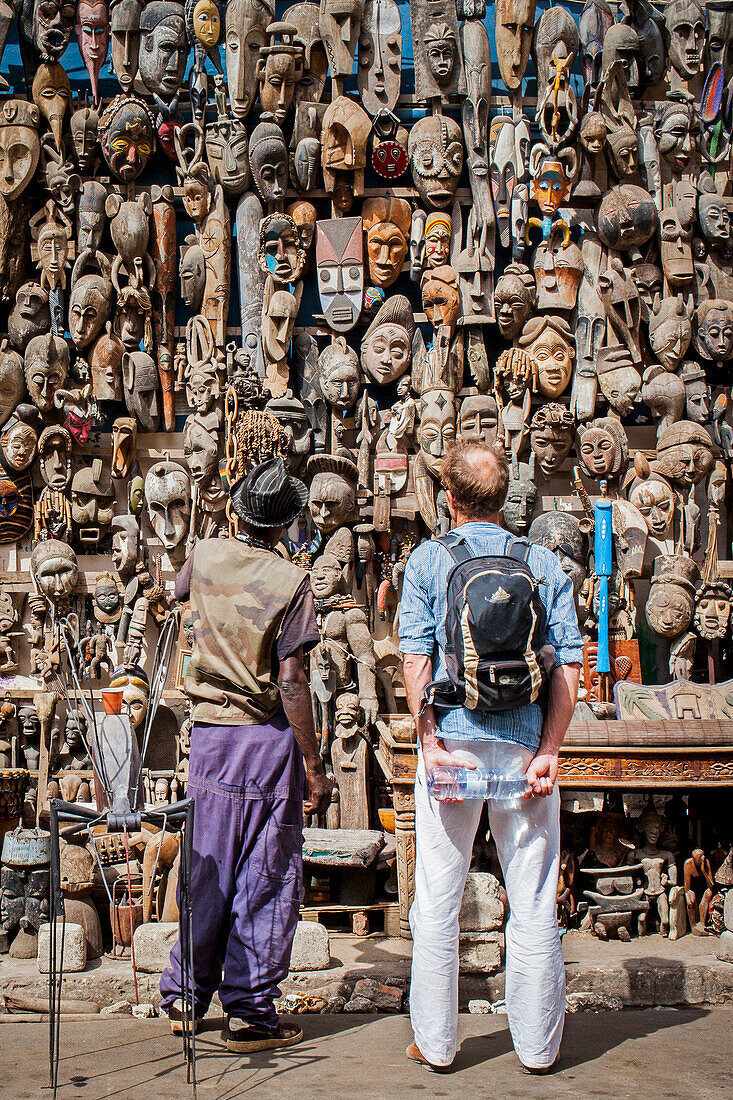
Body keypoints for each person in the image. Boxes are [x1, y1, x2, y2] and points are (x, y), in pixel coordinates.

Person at [398, 440, 583, 1074]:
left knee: (440, 897)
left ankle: (439, 1045)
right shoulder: (544, 565)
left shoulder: (426, 561)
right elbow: (568, 669)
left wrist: (430, 743)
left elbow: (417, 661)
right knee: (531, 898)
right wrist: (550, 751)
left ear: (447, 498)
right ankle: (536, 1049)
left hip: (454, 749)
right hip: (526, 749)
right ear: (507, 498)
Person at [160, 457, 332, 1052]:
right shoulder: (292, 581)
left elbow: (175, 594)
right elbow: (291, 682)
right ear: (286, 524)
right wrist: (314, 764)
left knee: (207, 862)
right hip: (265, 742)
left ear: (237, 510)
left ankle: (185, 996)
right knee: (263, 873)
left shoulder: (203, 556)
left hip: (209, 739)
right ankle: (251, 1014)